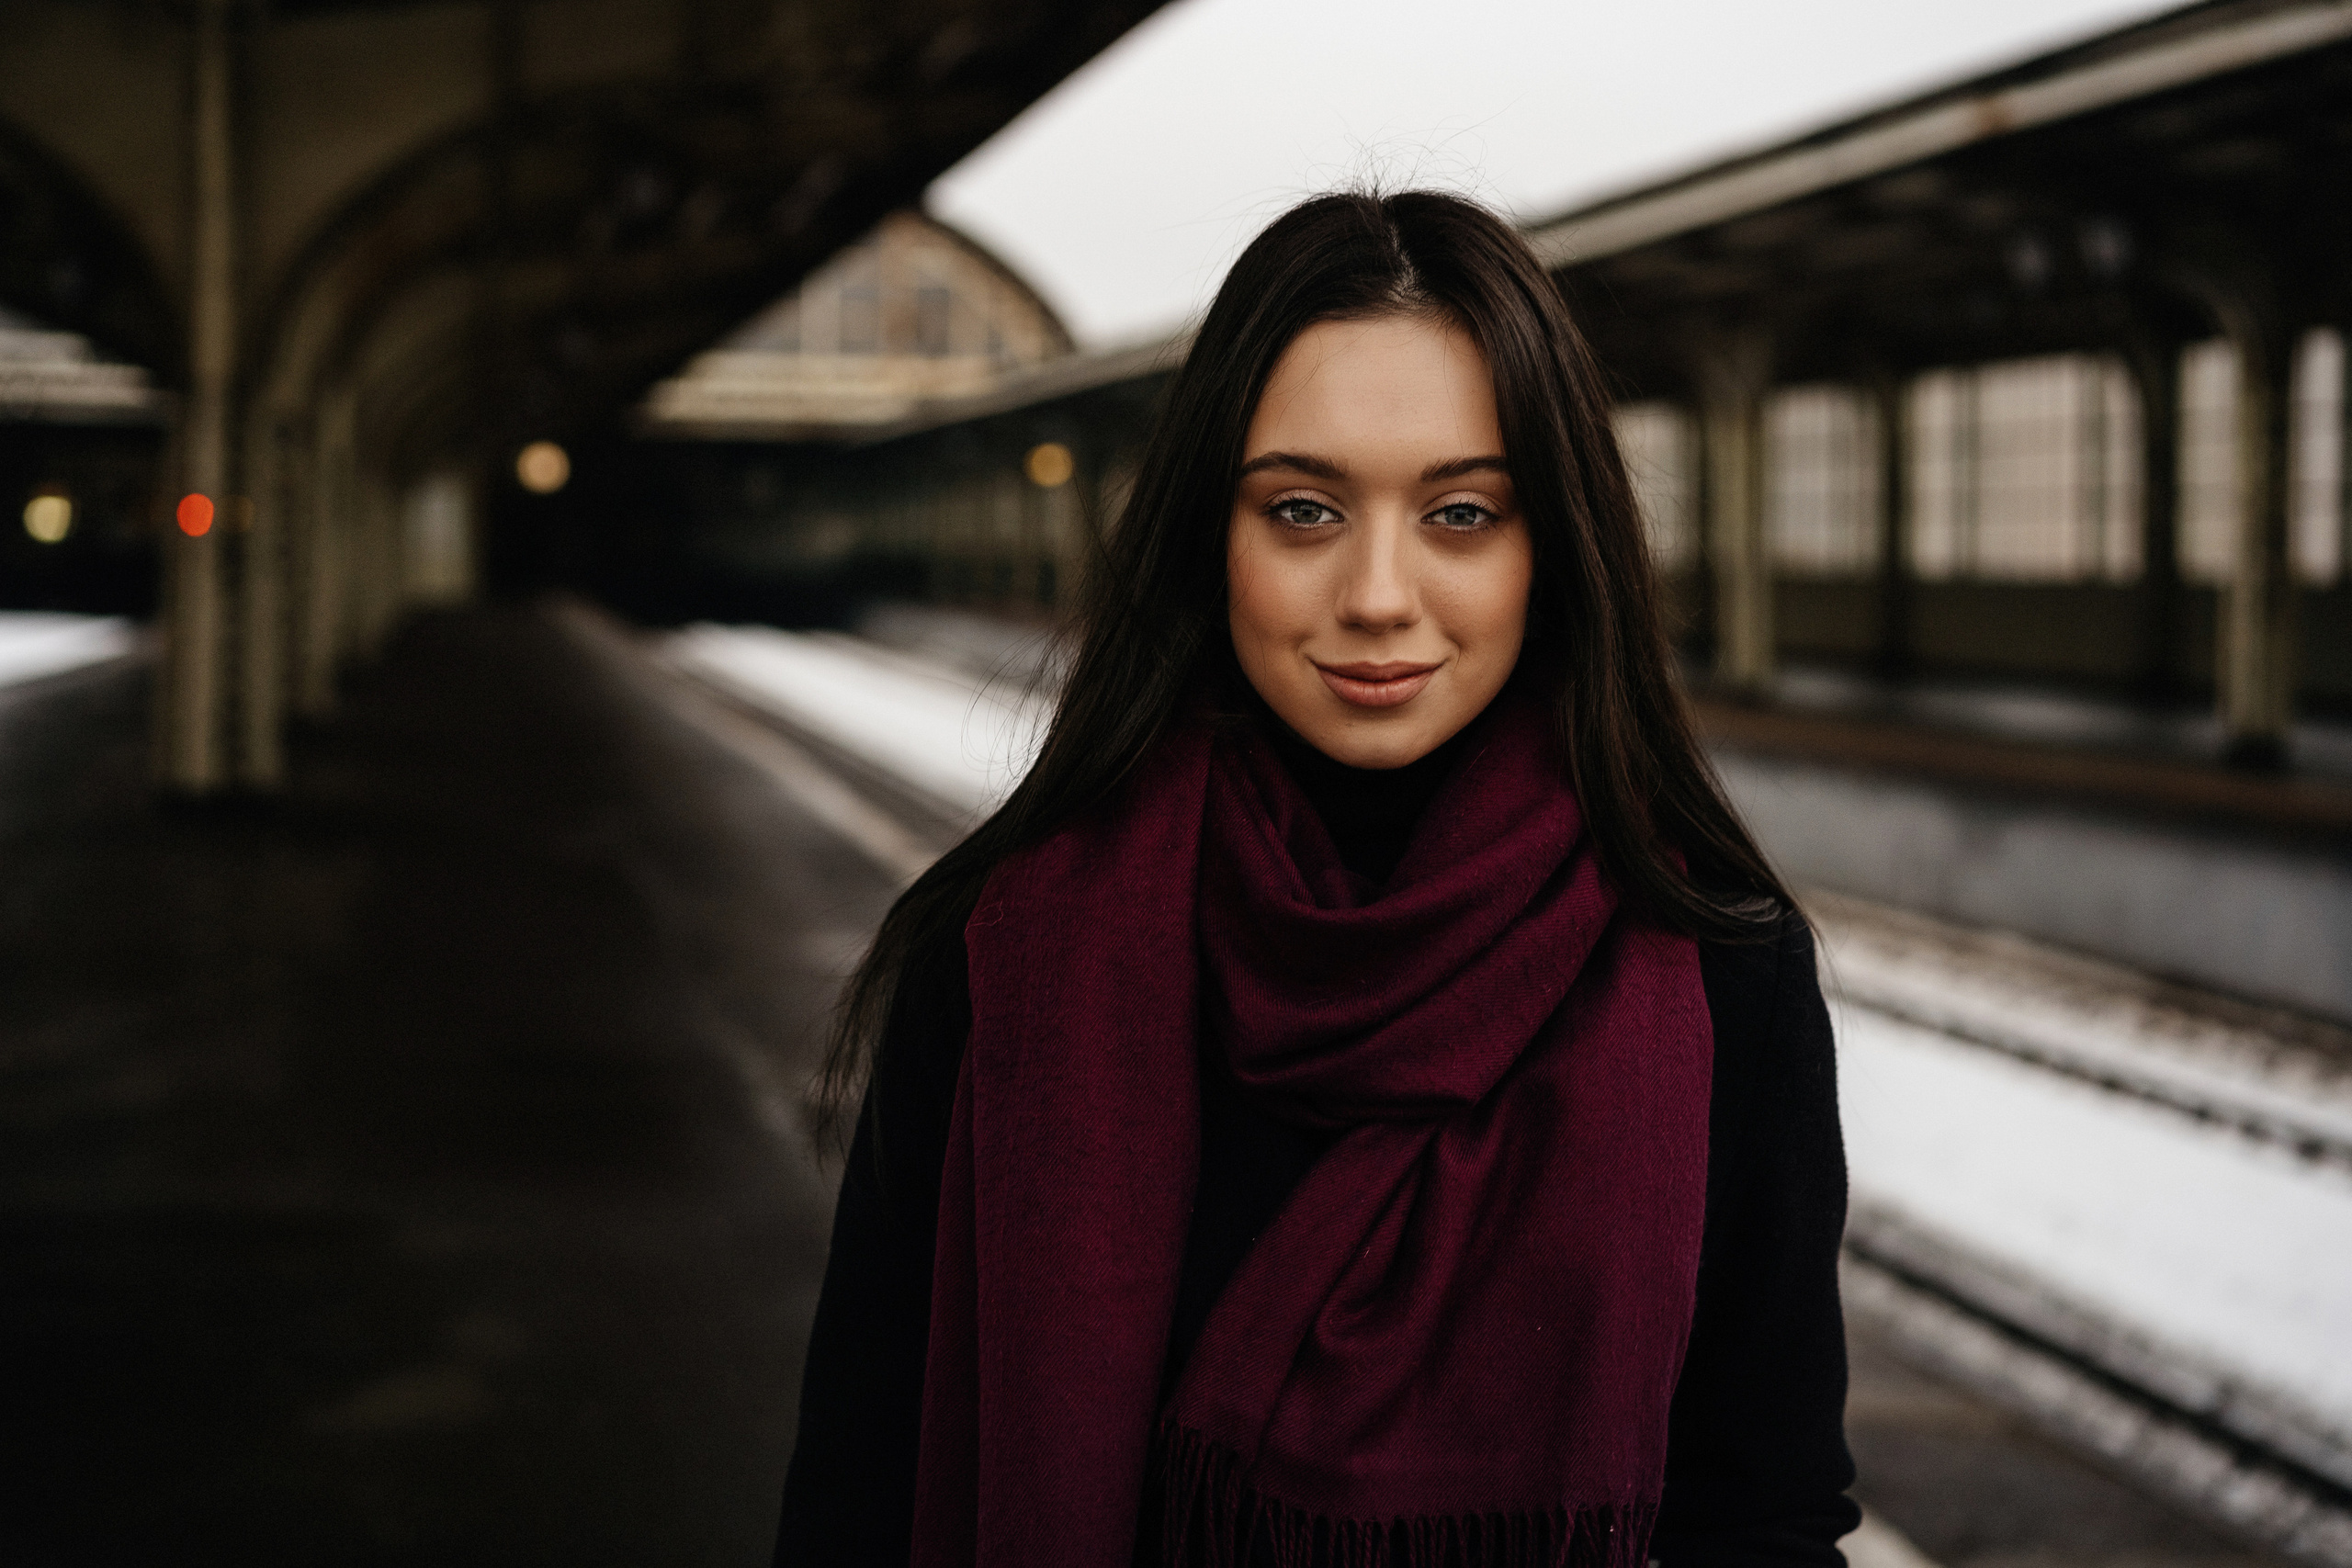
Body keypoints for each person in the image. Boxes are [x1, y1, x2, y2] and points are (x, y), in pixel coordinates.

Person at [775, 190, 1858, 1568]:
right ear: (1205, 536)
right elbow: (859, 1488)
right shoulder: (1005, 954)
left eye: (1463, 512)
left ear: (1556, 549)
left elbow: (1760, 1520)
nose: (1379, 594)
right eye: (1302, 509)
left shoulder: (1717, 966)